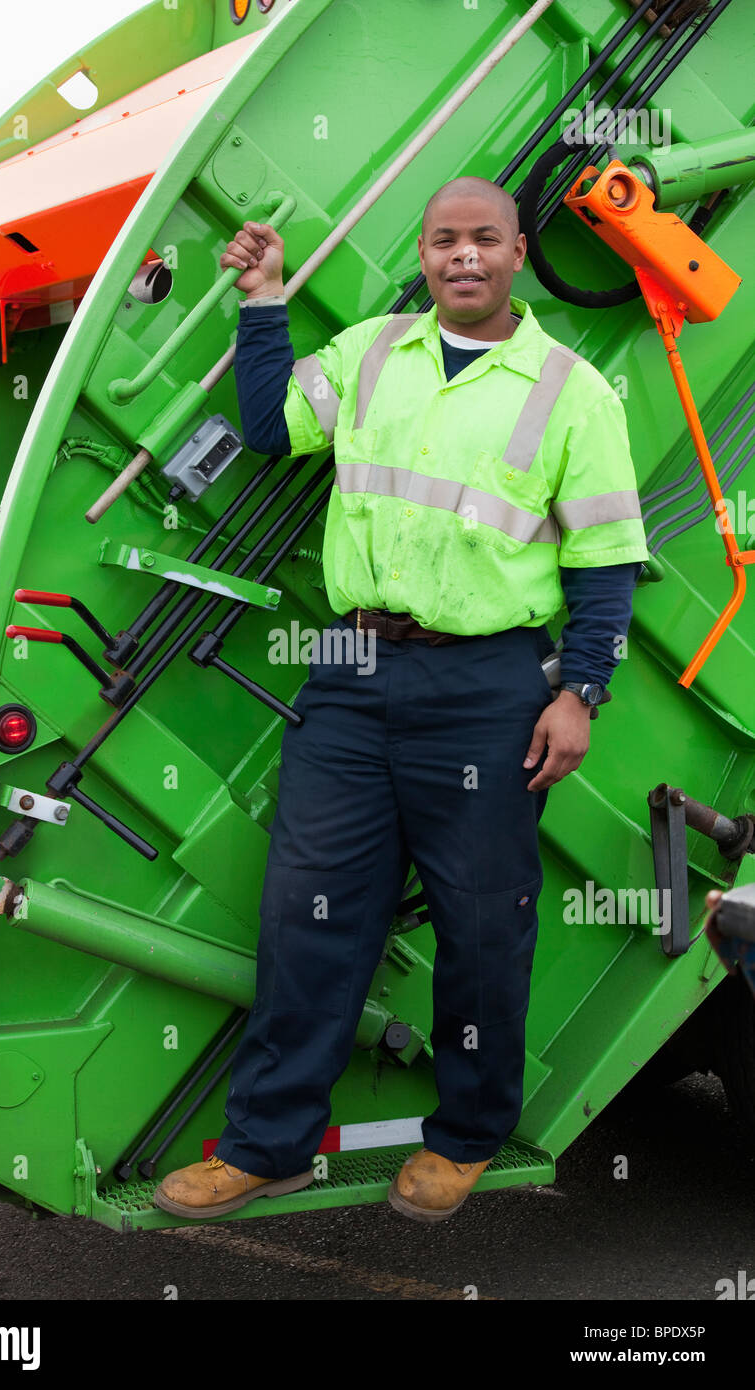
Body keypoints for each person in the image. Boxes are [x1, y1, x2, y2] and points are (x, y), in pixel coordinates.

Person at [154, 176, 650, 1223]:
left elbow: (605, 560)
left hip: (487, 687)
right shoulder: (371, 353)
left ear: (519, 251)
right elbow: (265, 427)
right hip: (352, 673)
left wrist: (583, 694)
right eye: (441, 241)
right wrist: (263, 297)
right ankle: (265, 1145)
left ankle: (466, 1137)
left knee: (480, 925)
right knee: (307, 913)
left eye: (481, 239)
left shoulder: (572, 392)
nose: (460, 256)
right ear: (422, 254)